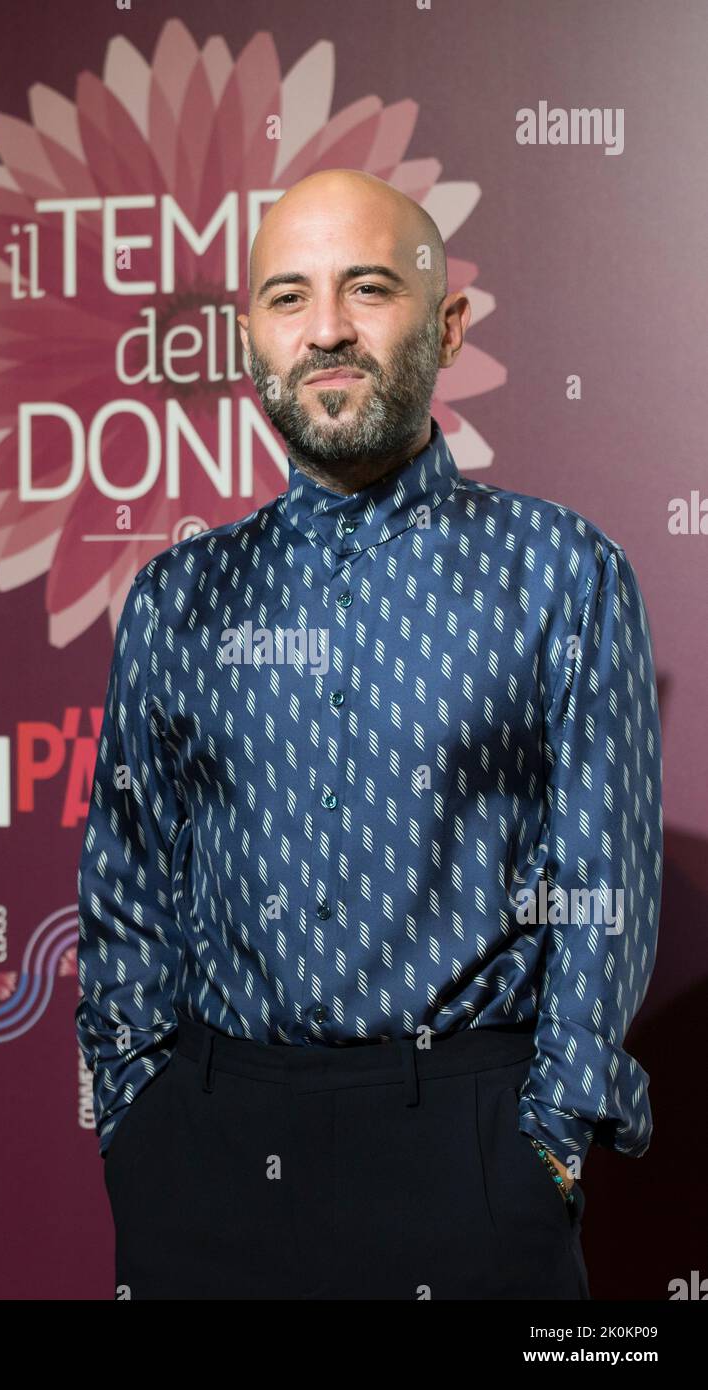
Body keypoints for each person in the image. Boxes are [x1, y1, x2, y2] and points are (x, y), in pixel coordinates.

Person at [75, 168, 662, 1300]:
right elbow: (125, 881)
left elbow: (602, 884)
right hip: (205, 1153)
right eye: (286, 297)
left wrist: (545, 1138)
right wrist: (139, 1115)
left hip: (472, 1154)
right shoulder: (176, 598)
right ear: (251, 333)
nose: (327, 329)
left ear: (446, 322)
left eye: (368, 288)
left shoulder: (561, 573)